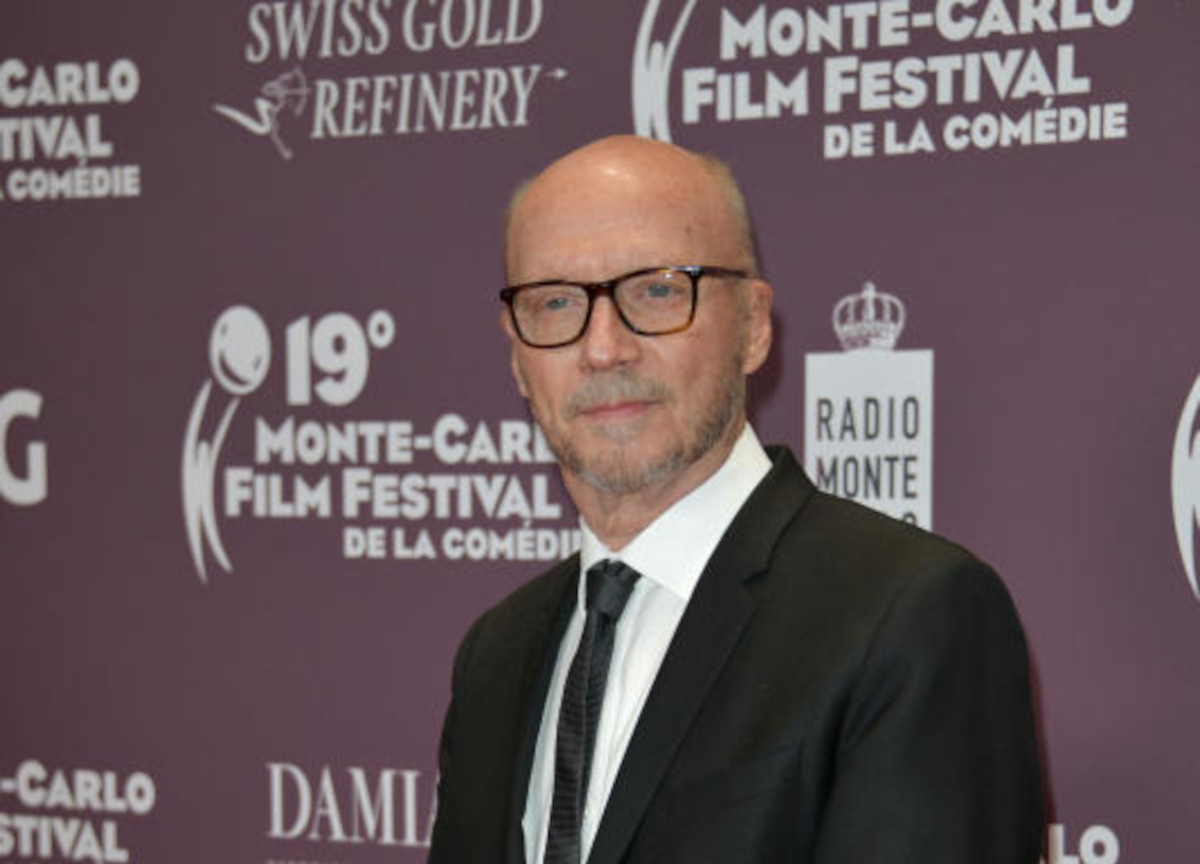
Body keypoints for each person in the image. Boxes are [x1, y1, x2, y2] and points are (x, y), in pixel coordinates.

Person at [427, 135, 1043, 864]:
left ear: (752, 327)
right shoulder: (495, 655)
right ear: (517, 358)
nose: (603, 348)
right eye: (556, 302)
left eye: (657, 290)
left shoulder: (909, 618)